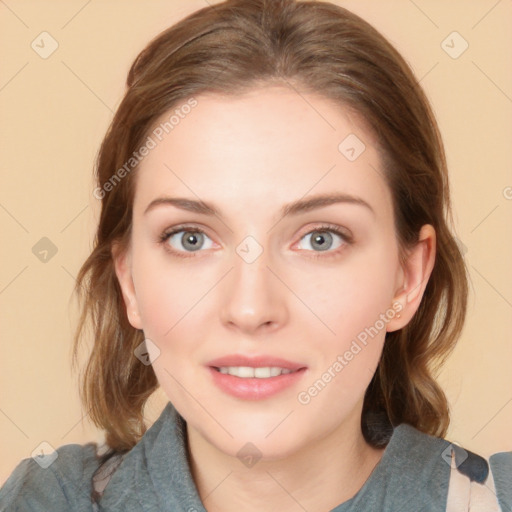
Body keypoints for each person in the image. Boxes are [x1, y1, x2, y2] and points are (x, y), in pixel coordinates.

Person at [1, 0, 510, 510]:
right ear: (129, 279)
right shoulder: (46, 499)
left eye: (320, 239)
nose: (250, 309)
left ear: (408, 277)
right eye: (190, 238)